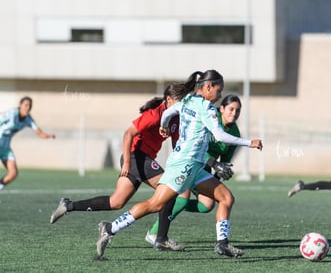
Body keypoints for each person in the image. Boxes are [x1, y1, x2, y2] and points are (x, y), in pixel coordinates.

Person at [95, 70, 263, 259]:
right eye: (219, 90)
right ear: (208, 87)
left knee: (226, 198)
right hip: (185, 165)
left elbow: (167, 112)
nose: (220, 95)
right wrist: (250, 143)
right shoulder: (207, 109)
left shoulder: (187, 101)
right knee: (155, 204)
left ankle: (222, 244)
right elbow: (220, 135)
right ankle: (110, 228)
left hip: (194, 166)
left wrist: (164, 126)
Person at [50, 84, 193, 250]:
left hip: (141, 160)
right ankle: (160, 238)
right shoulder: (154, 115)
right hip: (136, 157)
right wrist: (126, 162)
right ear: (168, 100)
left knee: (116, 202)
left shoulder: (175, 119)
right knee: (170, 190)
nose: (182, 105)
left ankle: (69, 205)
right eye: (180, 101)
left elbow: (177, 144)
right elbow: (128, 134)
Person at [145, 94, 242, 246]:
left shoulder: (235, 133)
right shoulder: (210, 117)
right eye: (231, 109)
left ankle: (170, 205)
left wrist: (221, 174)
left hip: (204, 170)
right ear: (221, 108)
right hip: (189, 162)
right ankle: (154, 232)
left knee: (206, 205)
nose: (234, 113)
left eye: (237, 110)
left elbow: (225, 162)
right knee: (180, 200)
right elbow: (198, 148)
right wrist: (214, 164)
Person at [0, 96, 55, 190]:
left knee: (13, 174)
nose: (28, 107)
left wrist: (48, 135)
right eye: (26, 105)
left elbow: (39, 132)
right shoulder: (11, 114)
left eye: (30, 106)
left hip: (5, 148)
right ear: (20, 105)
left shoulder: (28, 119)